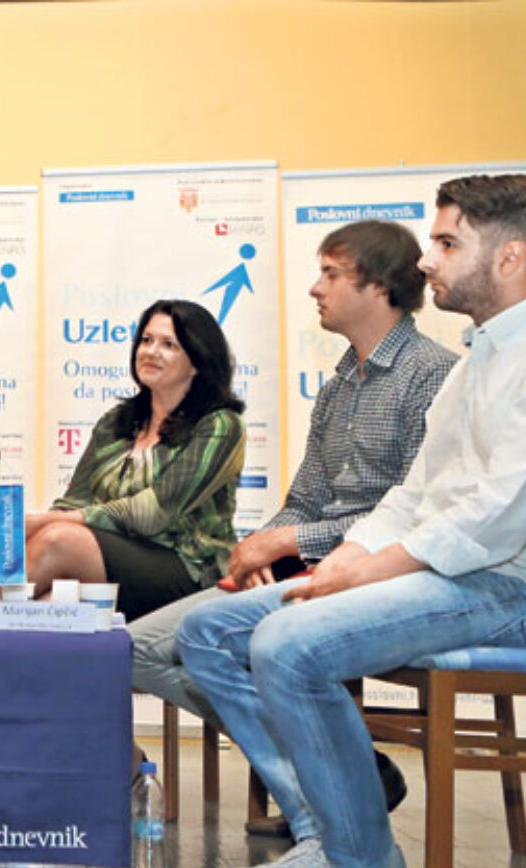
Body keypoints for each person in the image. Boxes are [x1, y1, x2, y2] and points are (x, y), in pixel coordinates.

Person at [178, 174, 526, 868]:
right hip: (448, 573)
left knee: (288, 643)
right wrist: (347, 559)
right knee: (209, 631)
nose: (426, 262)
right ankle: (332, 831)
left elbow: (496, 516)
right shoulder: (478, 360)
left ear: (509, 258)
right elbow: (414, 494)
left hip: (511, 588)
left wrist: (370, 571)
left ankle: (359, 863)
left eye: (447, 244)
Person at [130, 222, 457, 835]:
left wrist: (291, 542)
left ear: (378, 285)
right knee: (130, 650)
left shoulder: (434, 376)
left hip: (381, 574)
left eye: (330, 274)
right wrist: (261, 547)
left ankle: (331, 794)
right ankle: (351, 769)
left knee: (204, 640)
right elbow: (305, 499)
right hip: (304, 565)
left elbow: (417, 512)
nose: (315, 288)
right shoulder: (338, 386)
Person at [25, 299, 245, 620]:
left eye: (169, 344)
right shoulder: (116, 422)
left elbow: (154, 512)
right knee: (44, 603)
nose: (151, 352)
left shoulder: (219, 425)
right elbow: (75, 501)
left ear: (197, 361)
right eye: (146, 340)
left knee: (58, 539)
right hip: (113, 561)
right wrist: (42, 524)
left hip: (188, 569)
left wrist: (48, 523)